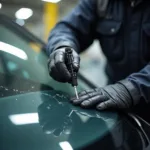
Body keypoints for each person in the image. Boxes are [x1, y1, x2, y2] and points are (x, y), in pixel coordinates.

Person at [47, 0, 150, 114]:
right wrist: (62, 46)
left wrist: (131, 89)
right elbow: (68, 28)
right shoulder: (101, 2)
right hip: (113, 104)